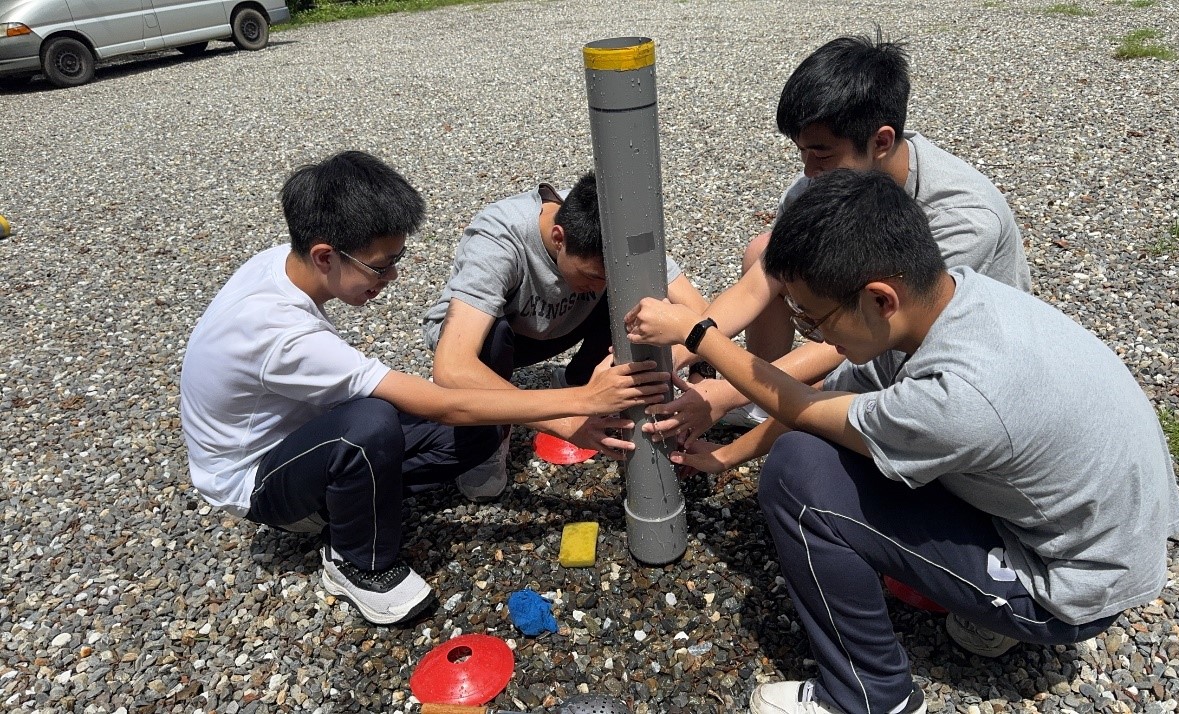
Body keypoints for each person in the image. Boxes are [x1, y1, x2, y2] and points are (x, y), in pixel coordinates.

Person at [624, 169, 1179, 714]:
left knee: (799, 479)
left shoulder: (958, 396)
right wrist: (726, 456)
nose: (816, 335)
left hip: (1069, 588)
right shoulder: (955, 298)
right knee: (825, 447)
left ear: (879, 299)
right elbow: (824, 406)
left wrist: (698, 336)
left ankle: (871, 694)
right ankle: (979, 609)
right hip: (1090, 532)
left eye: (814, 320)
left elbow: (803, 412)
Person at [180, 151, 667, 626]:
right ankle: (356, 560)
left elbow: (453, 408)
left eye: (396, 259)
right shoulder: (280, 335)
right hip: (257, 479)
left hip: (303, 436)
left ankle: (353, 496)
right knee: (367, 425)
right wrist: (580, 403)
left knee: (480, 431)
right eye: (380, 266)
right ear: (325, 256)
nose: (392, 277)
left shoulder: (284, 264)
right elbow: (444, 402)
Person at [648, 32, 1031, 444]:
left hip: (950, 358)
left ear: (881, 141)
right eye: (801, 151)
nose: (808, 170)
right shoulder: (825, 182)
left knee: (809, 441)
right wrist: (682, 348)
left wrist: (730, 392)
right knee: (765, 251)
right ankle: (768, 407)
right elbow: (759, 284)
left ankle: (777, 403)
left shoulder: (962, 217)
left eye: (822, 153)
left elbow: (883, 329)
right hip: (863, 321)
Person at [422, 171, 707, 492]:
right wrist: (567, 420)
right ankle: (490, 435)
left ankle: (578, 381)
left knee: (629, 297)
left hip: (562, 326)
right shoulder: (499, 239)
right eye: (591, 275)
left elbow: (702, 316)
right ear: (559, 238)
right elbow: (452, 369)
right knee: (492, 338)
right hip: (496, 336)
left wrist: (695, 390)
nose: (598, 286)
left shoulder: (616, 227)